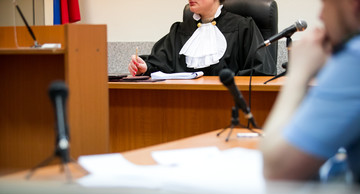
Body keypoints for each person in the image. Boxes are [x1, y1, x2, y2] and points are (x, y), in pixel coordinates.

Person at [259, 0, 360, 183]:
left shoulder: (355, 57)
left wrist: (299, 72)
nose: (321, 16)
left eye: (326, 5)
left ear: (352, 4)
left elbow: (277, 169)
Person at [128, 0, 276, 76]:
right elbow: (160, 64)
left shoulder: (243, 27)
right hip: (183, 106)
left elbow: (260, 70)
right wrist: (144, 67)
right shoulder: (180, 30)